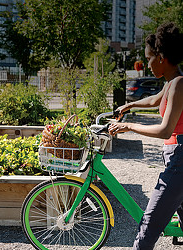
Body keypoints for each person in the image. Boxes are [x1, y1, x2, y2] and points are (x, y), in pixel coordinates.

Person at [109, 22, 183, 249]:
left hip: (180, 160)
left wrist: (129, 127)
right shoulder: (171, 82)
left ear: (161, 57)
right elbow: (153, 100)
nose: (146, 64)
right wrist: (128, 107)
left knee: (149, 225)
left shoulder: (179, 84)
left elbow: (165, 130)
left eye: (149, 58)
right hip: (175, 157)